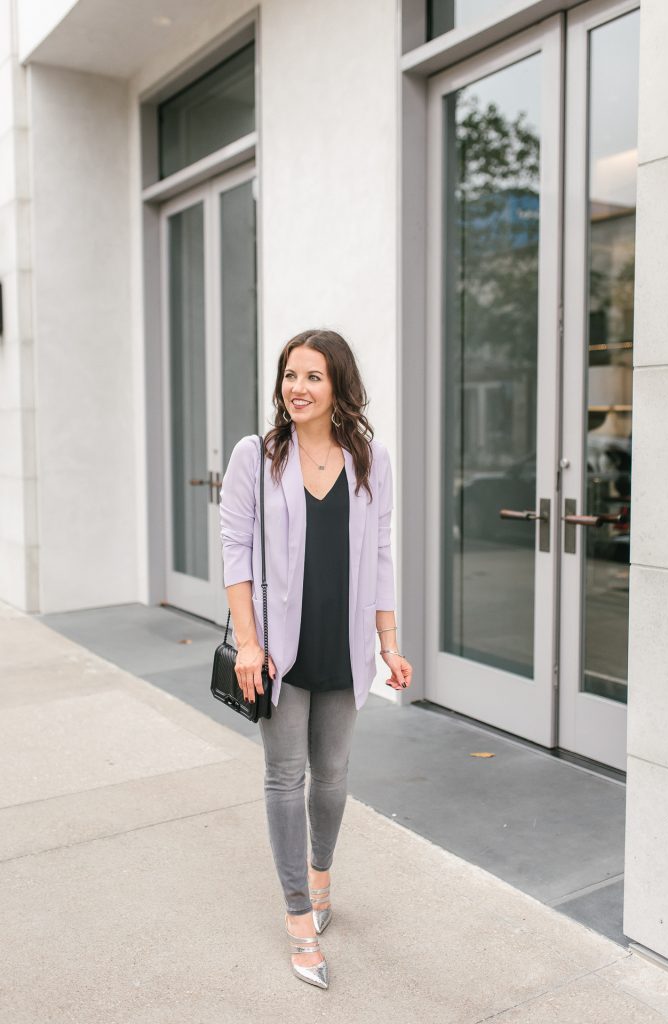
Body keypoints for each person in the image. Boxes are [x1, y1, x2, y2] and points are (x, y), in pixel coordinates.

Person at [219, 328, 413, 990]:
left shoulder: (371, 459)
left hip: (347, 640)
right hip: (278, 647)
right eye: (289, 375)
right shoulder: (259, 455)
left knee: (331, 778)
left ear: (338, 388)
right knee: (284, 778)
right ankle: (298, 915)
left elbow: (381, 552)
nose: (296, 388)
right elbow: (236, 552)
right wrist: (248, 641)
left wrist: (388, 642)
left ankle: (322, 874)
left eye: (312, 377)